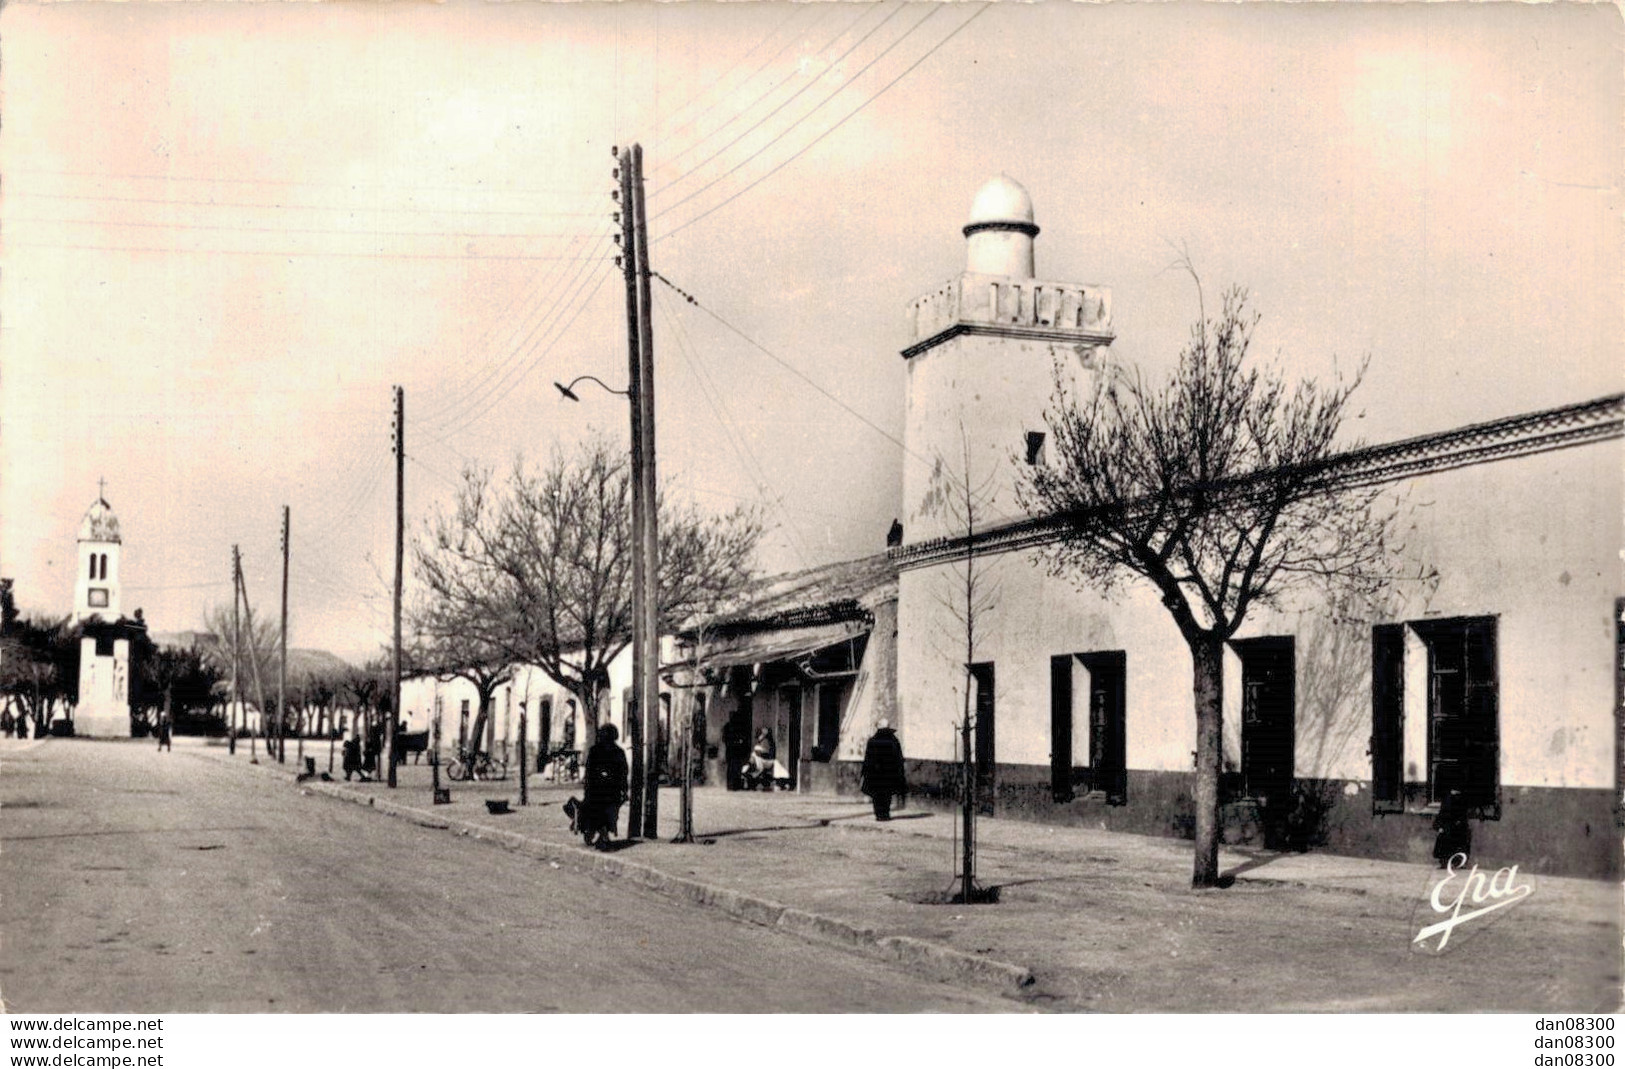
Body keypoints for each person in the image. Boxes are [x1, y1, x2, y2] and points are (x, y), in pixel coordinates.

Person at [580, 723, 629, 849]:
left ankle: (602, 834)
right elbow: (623, 773)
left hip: (603, 791)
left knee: (602, 809)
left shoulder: (597, 751)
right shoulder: (615, 752)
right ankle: (601, 833)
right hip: (604, 791)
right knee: (604, 809)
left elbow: (623, 773)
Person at [860, 719, 907, 821]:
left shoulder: (872, 741)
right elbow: (899, 759)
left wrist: (864, 773)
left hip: (875, 775)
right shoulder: (894, 741)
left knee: (877, 796)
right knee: (887, 794)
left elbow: (868, 760)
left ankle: (879, 814)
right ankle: (885, 814)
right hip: (889, 774)